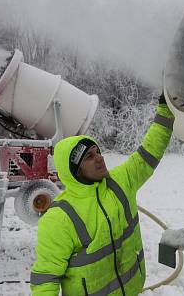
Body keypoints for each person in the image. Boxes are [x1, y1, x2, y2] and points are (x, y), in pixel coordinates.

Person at [30, 95, 173, 296]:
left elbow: (150, 150)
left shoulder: (120, 182)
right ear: (75, 171)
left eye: (98, 151)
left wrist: (166, 108)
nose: (99, 158)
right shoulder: (59, 218)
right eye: (89, 157)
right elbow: (46, 279)